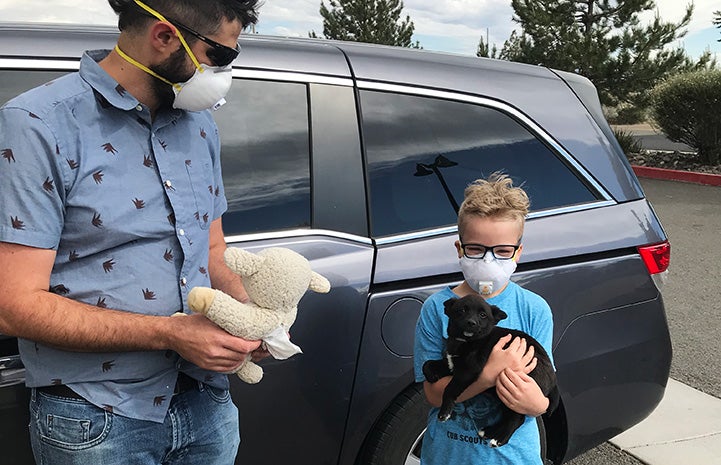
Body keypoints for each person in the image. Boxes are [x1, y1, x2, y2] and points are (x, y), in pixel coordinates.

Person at [0, 0, 262, 463]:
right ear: (164, 37)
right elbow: (13, 306)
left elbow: (212, 252)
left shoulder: (201, 126)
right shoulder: (38, 124)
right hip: (94, 415)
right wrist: (172, 334)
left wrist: (254, 318)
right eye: (219, 56)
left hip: (207, 401)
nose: (223, 72)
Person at [414, 173, 555, 464]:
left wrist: (539, 404)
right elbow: (432, 395)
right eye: (476, 249)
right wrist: (488, 374)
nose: (489, 261)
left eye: (503, 251)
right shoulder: (436, 307)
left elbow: (543, 388)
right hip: (448, 457)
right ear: (460, 248)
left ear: (518, 252)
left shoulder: (534, 308)